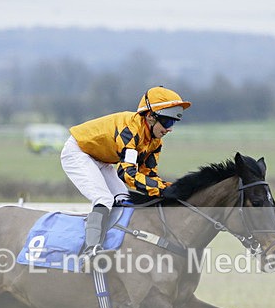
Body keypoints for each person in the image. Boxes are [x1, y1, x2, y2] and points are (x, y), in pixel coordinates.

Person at [60, 86, 191, 254]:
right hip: (78, 152)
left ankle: (113, 244)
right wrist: (165, 190)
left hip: (101, 159)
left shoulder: (155, 141)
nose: (169, 129)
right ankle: (90, 250)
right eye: (167, 122)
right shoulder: (130, 130)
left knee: (123, 200)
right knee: (104, 199)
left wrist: (170, 189)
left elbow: (148, 175)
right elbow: (127, 174)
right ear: (150, 117)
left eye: (173, 123)